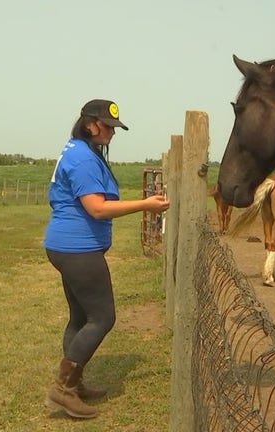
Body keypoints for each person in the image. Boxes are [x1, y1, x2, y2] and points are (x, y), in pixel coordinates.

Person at [43, 99, 170, 419]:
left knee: (80, 317)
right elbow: (97, 208)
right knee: (102, 317)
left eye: (115, 127)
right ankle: (63, 389)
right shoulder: (84, 158)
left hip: (68, 244)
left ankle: (75, 383)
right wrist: (145, 205)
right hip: (77, 248)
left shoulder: (78, 150)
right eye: (107, 126)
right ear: (89, 124)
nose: (112, 132)